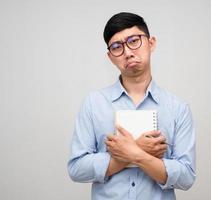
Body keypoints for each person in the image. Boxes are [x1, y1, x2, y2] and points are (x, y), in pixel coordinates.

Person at [68, 12, 196, 200]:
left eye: (134, 41)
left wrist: (133, 153)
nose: (127, 52)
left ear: (151, 43)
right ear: (110, 57)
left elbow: (186, 177)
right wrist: (141, 149)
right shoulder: (94, 103)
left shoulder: (178, 108)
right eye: (117, 47)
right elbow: (76, 168)